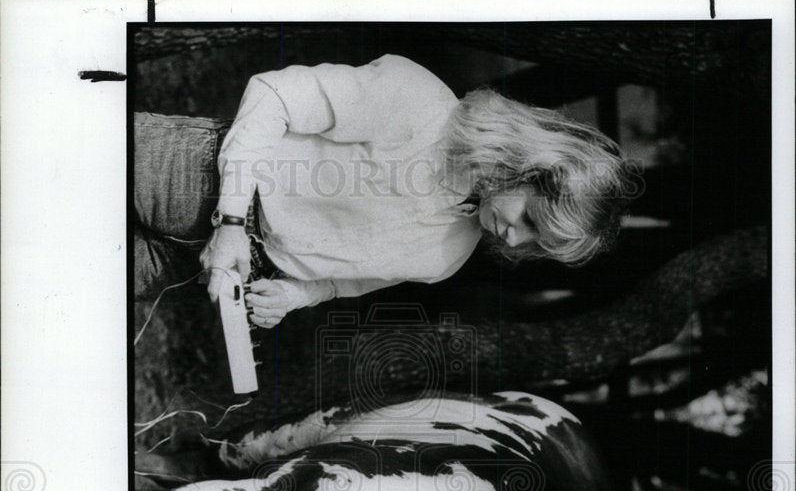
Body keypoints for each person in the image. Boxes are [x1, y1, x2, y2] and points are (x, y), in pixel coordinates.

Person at [135, 54, 637, 327]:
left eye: (535, 245)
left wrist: (294, 294)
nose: (515, 241)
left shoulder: (447, 258)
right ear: (529, 165)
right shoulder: (418, 103)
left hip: (214, 268)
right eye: (529, 220)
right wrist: (230, 223)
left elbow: (345, 282)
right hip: (190, 175)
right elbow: (273, 94)